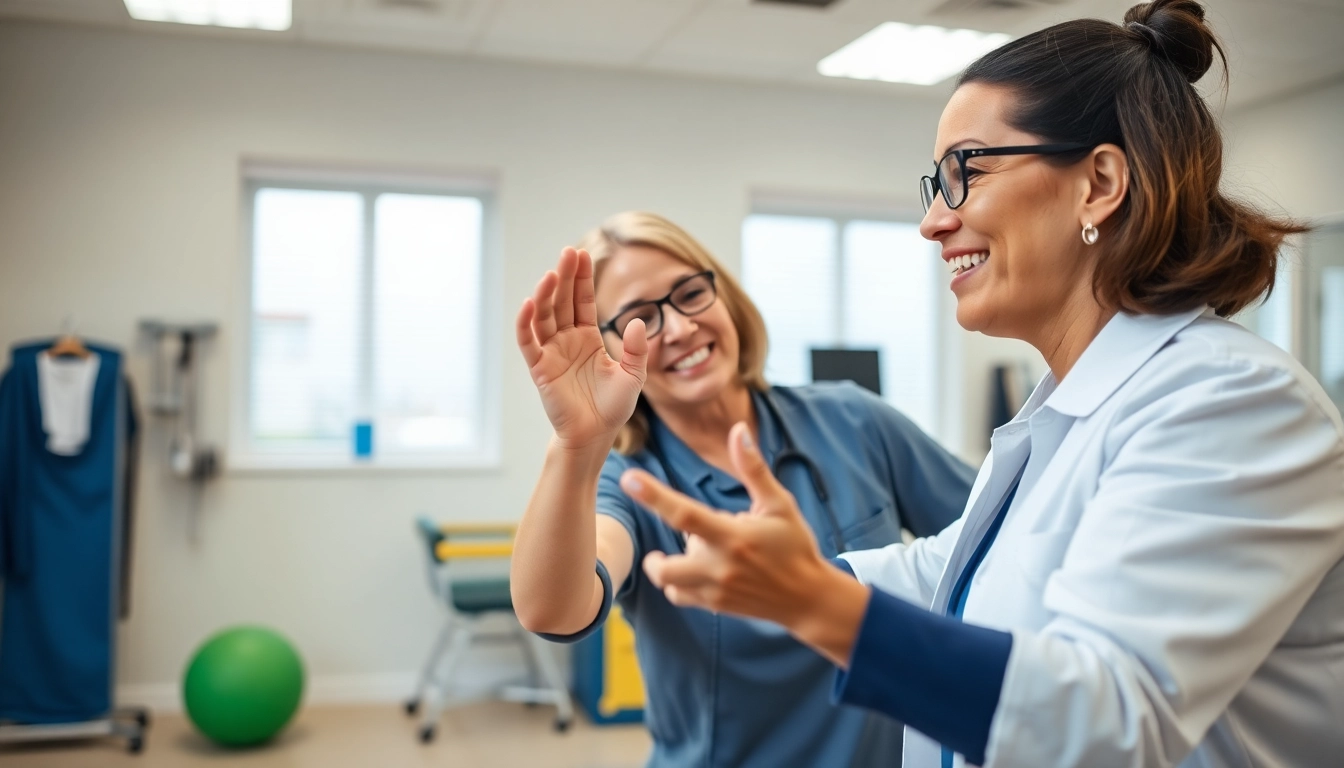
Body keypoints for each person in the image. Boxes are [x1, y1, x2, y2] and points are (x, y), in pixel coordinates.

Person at [619, 2, 1344, 767]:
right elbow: (956, 572)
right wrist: (801, 572)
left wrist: (820, 605)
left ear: (1098, 182)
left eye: (964, 172)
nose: (933, 221)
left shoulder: (1229, 404)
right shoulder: (1066, 407)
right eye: (936, 183)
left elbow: (1109, 723)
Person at [510, 211, 975, 767]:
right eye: (641, 319)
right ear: (609, 350)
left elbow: (997, 538)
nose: (680, 328)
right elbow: (551, 611)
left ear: (723, 294)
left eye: (689, 294)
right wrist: (576, 446)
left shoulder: (853, 420)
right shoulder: (632, 481)